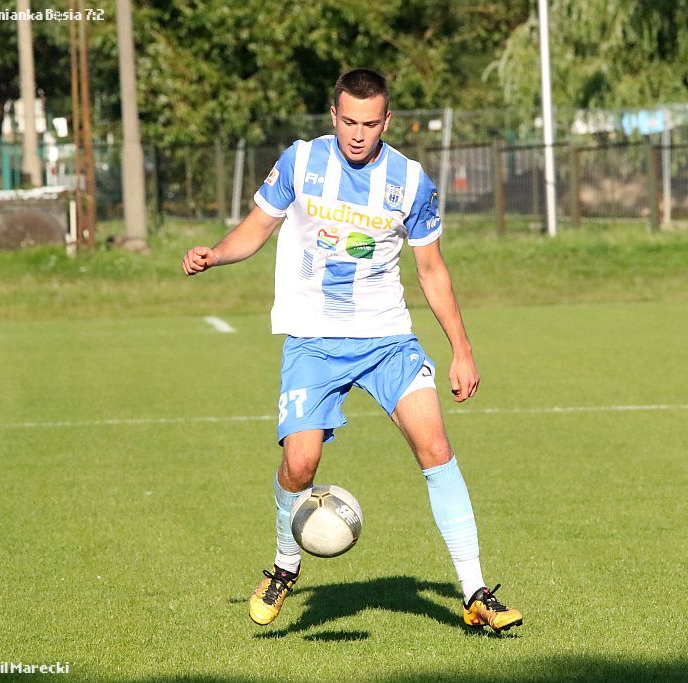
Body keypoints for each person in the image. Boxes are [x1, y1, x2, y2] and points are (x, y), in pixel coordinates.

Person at [182, 68, 522, 633]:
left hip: (387, 339)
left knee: (436, 447)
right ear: (333, 115)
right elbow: (258, 227)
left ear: (387, 120)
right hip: (313, 340)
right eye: (348, 122)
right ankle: (285, 565)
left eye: (370, 123)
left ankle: (475, 593)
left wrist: (461, 349)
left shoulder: (410, 180)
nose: (358, 134)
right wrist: (215, 254)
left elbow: (432, 270)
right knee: (300, 464)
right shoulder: (300, 162)